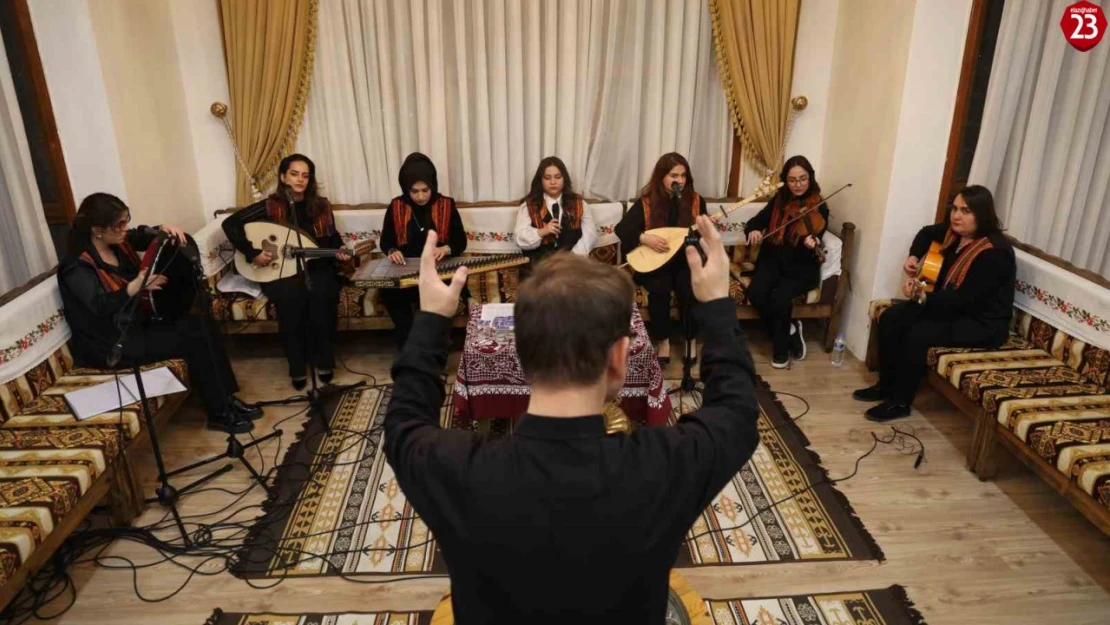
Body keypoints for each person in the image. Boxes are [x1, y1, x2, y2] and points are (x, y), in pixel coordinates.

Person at [384, 216, 760, 624]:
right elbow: (736, 410)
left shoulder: (455, 469)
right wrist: (718, 307)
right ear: (619, 357)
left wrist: (432, 319)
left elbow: (404, 421)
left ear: (521, 356)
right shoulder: (664, 466)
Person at [58, 193, 260, 434]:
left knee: (201, 323)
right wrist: (133, 288)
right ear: (97, 230)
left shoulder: (117, 243)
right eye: (120, 224)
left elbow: (140, 235)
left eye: (126, 220)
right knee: (193, 338)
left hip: (135, 326)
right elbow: (99, 307)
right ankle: (219, 412)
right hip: (111, 344)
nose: (126, 228)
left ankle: (226, 399)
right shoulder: (76, 266)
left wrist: (161, 230)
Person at [854, 185, 1015, 422]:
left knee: (918, 333)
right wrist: (913, 256)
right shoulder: (954, 232)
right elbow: (926, 234)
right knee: (891, 317)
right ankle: (885, 385)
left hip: (981, 323)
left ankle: (900, 402)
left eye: (966, 211)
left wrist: (923, 298)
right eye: (955, 209)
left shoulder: (995, 252)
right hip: (949, 307)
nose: (956, 216)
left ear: (981, 214)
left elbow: (967, 299)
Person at [223, 154, 349, 391]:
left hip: (316, 267)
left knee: (323, 295)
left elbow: (332, 238)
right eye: (294, 174)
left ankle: (323, 361)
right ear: (283, 176)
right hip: (279, 271)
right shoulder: (270, 206)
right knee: (290, 300)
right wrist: (253, 253)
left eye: (305, 175)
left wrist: (340, 249)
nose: (300, 179)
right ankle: (298, 366)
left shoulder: (322, 206)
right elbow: (230, 224)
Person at [615, 152, 708, 364]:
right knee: (659, 290)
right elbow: (622, 229)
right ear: (662, 177)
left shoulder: (695, 201)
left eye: (683, 176)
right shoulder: (647, 202)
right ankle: (663, 341)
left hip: (685, 259)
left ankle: (690, 340)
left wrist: (703, 231)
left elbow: (701, 233)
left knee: (689, 288)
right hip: (657, 261)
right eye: (674, 175)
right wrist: (645, 238)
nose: (680, 181)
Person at [743, 155, 828, 368]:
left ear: (810, 178)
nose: (798, 185)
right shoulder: (778, 201)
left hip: (801, 267)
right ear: (785, 181)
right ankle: (789, 330)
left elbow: (819, 233)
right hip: (772, 261)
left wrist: (812, 240)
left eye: (802, 179)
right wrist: (753, 229)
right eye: (792, 180)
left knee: (779, 298)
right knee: (756, 293)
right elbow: (756, 221)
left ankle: (780, 352)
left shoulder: (819, 205)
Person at [378, 152, 467, 348]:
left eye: (425, 190)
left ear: (432, 185)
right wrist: (392, 250)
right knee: (391, 294)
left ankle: (434, 349)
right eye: (414, 191)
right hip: (406, 272)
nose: (420, 196)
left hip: (439, 271)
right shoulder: (396, 206)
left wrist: (446, 248)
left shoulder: (447, 204)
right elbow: (385, 241)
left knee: (439, 300)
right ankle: (410, 344)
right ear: (405, 188)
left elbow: (460, 241)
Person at [513, 156, 597, 269]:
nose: (553, 182)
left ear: (564, 178)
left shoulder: (579, 203)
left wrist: (570, 259)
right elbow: (519, 238)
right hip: (539, 270)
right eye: (547, 178)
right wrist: (542, 231)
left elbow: (590, 235)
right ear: (540, 180)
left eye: (557, 177)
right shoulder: (528, 206)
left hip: (572, 266)